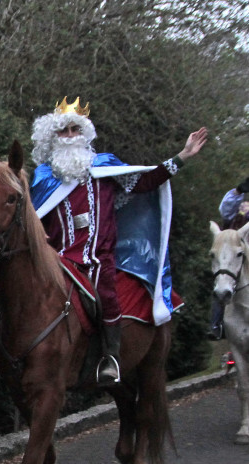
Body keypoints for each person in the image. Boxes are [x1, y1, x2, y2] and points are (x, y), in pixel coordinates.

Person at [30, 98, 207, 384]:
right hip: (60, 260)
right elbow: (35, 223)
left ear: (84, 134)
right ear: (53, 137)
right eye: (64, 131)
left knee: (106, 295)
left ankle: (110, 357)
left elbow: (146, 182)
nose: (71, 136)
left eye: (76, 129)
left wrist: (182, 157)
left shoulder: (105, 169)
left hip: (100, 259)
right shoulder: (43, 178)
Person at [208, 176, 249, 339]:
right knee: (223, 280)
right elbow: (225, 211)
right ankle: (216, 325)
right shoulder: (242, 206)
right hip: (238, 254)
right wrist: (238, 190)